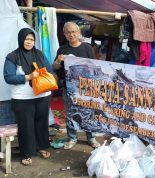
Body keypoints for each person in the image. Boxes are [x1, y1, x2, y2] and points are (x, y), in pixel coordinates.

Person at [4, 28, 52, 165]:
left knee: (41, 123)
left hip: (43, 96)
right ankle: (26, 153)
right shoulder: (12, 56)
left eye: (31, 39)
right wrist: (28, 77)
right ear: (21, 40)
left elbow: (49, 70)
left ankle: (42, 147)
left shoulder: (40, 54)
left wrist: (47, 75)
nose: (29, 42)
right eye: (26, 39)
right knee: (26, 126)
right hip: (22, 99)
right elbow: (8, 77)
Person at [52, 22, 100, 149]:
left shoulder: (87, 48)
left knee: (88, 113)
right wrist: (58, 61)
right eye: (68, 32)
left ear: (79, 33)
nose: (71, 34)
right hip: (69, 88)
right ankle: (72, 138)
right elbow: (55, 67)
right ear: (65, 35)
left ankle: (92, 138)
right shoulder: (62, 49)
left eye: (73, 31)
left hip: (86, 88)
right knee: (70, 114)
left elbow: (94, 67)